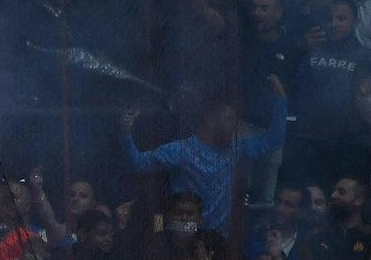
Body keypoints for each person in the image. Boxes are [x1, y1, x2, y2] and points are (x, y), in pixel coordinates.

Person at [121, 78, 286, 234]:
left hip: (219, 241)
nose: (234, 125)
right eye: (229, 118)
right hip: (184, 236)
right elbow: (138, 163)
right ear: (211, 118)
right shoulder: (181, 150)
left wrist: (280, 101)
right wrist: (125, 133)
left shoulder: (235, 148)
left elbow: (273, 142)